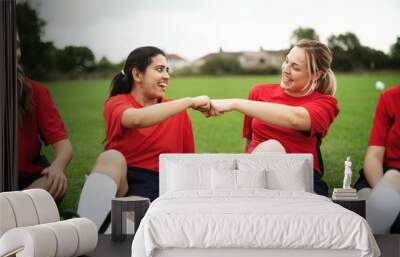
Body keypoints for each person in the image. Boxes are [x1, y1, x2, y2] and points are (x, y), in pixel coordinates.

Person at [77, 46, 210, 231]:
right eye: (159, 69)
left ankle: (108, 233)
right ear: (137, 75)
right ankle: (83, 227)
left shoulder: (178, 112)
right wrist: (188, 101)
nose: (166, 76)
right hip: (122, 180)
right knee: (111, 156)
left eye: (167, 70)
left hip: (156, 185)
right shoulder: (116, 103)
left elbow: (187, 162)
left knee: (131, 209)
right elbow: (137, 118)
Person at [205, 39, 339, 196]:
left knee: (272, 147)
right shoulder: (259, 92)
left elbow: (296, 119)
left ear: (316, 74)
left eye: (295, 67)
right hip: (256, 175)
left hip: (300, 181)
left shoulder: (325, 103)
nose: (286, 69)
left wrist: (235, 103)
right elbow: (249, 143)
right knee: (267, 150)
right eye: (286, 61)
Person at [17, 65, 73, 203]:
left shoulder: (36, 91)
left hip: (29, 179)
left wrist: (57, 167)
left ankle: (12, 208)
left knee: (54, 183)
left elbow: (64, 146)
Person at [354, 86, 400, 234]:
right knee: (365, 198)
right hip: (384, 175)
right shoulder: (391, 97)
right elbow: (374, 155)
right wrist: (382, 193)